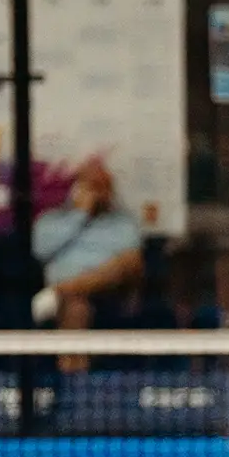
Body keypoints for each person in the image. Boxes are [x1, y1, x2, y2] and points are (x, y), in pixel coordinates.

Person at [29, 159, 147, 373]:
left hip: (111, 292)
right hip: (68, 301)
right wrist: (80, 213)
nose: (98, 194)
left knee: (127, 262)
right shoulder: (50, 221)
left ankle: (60, 290)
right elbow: (40, 250)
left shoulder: (123, 223)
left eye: (104, 187)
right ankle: (74, 378)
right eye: (92, 186)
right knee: (77, 307)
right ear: (75, 189)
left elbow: (132, 263)